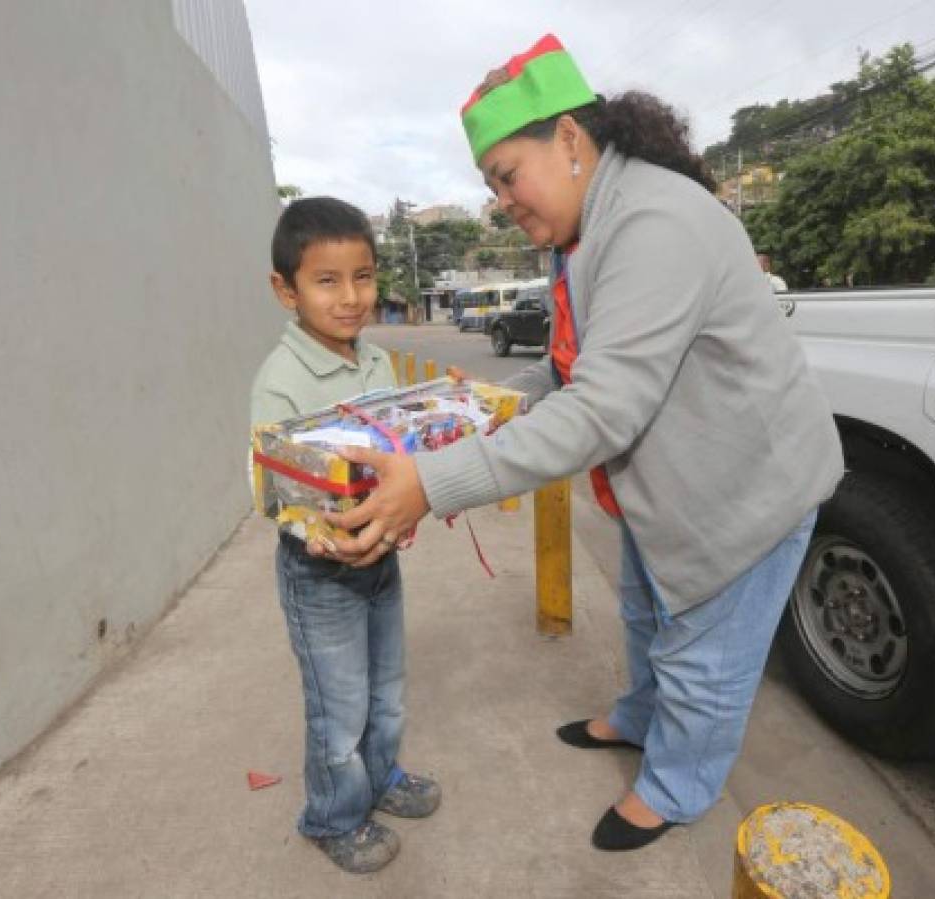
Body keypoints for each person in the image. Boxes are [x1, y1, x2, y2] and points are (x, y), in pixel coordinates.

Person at [314, 35, 843, 851]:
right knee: (645, 613)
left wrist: (432, 480)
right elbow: (574, 371)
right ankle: (638, 717)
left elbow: (602, 407)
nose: (501, 201)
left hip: (743, 492)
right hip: (666, 486)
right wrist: (484, 405)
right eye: (491, 184)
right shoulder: (591, 230)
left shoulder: (654, 220)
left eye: (505, 175)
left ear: (568, 140)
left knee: (705, 660)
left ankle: (676, 785)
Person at [250, 197, 440, 874]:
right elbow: (279, 497)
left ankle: (382, 776)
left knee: (387, 687)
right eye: (327, 280)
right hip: (320, 572)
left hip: (380, 559)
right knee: (339, 707)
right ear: (286, 290)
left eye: (363, 276)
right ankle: (332, 814)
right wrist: (330, 536)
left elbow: (403, 453)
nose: (352, 296)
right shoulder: (282, 381)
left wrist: (413, 502)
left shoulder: (379, 365)